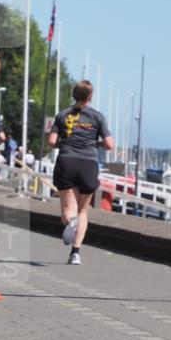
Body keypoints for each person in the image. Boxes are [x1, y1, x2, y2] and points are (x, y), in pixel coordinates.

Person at [47, 80, 115, 265]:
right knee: (83, 211)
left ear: (73, 94)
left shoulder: (62, 115)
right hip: (88, 164)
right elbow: (109, 144)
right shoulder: (98, 116)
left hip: (67, 162)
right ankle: (75, 253)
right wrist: (96, 143)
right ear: (90, 96)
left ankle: (70, 222)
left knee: (68, 209)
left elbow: (51, 141)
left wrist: (65, 143)